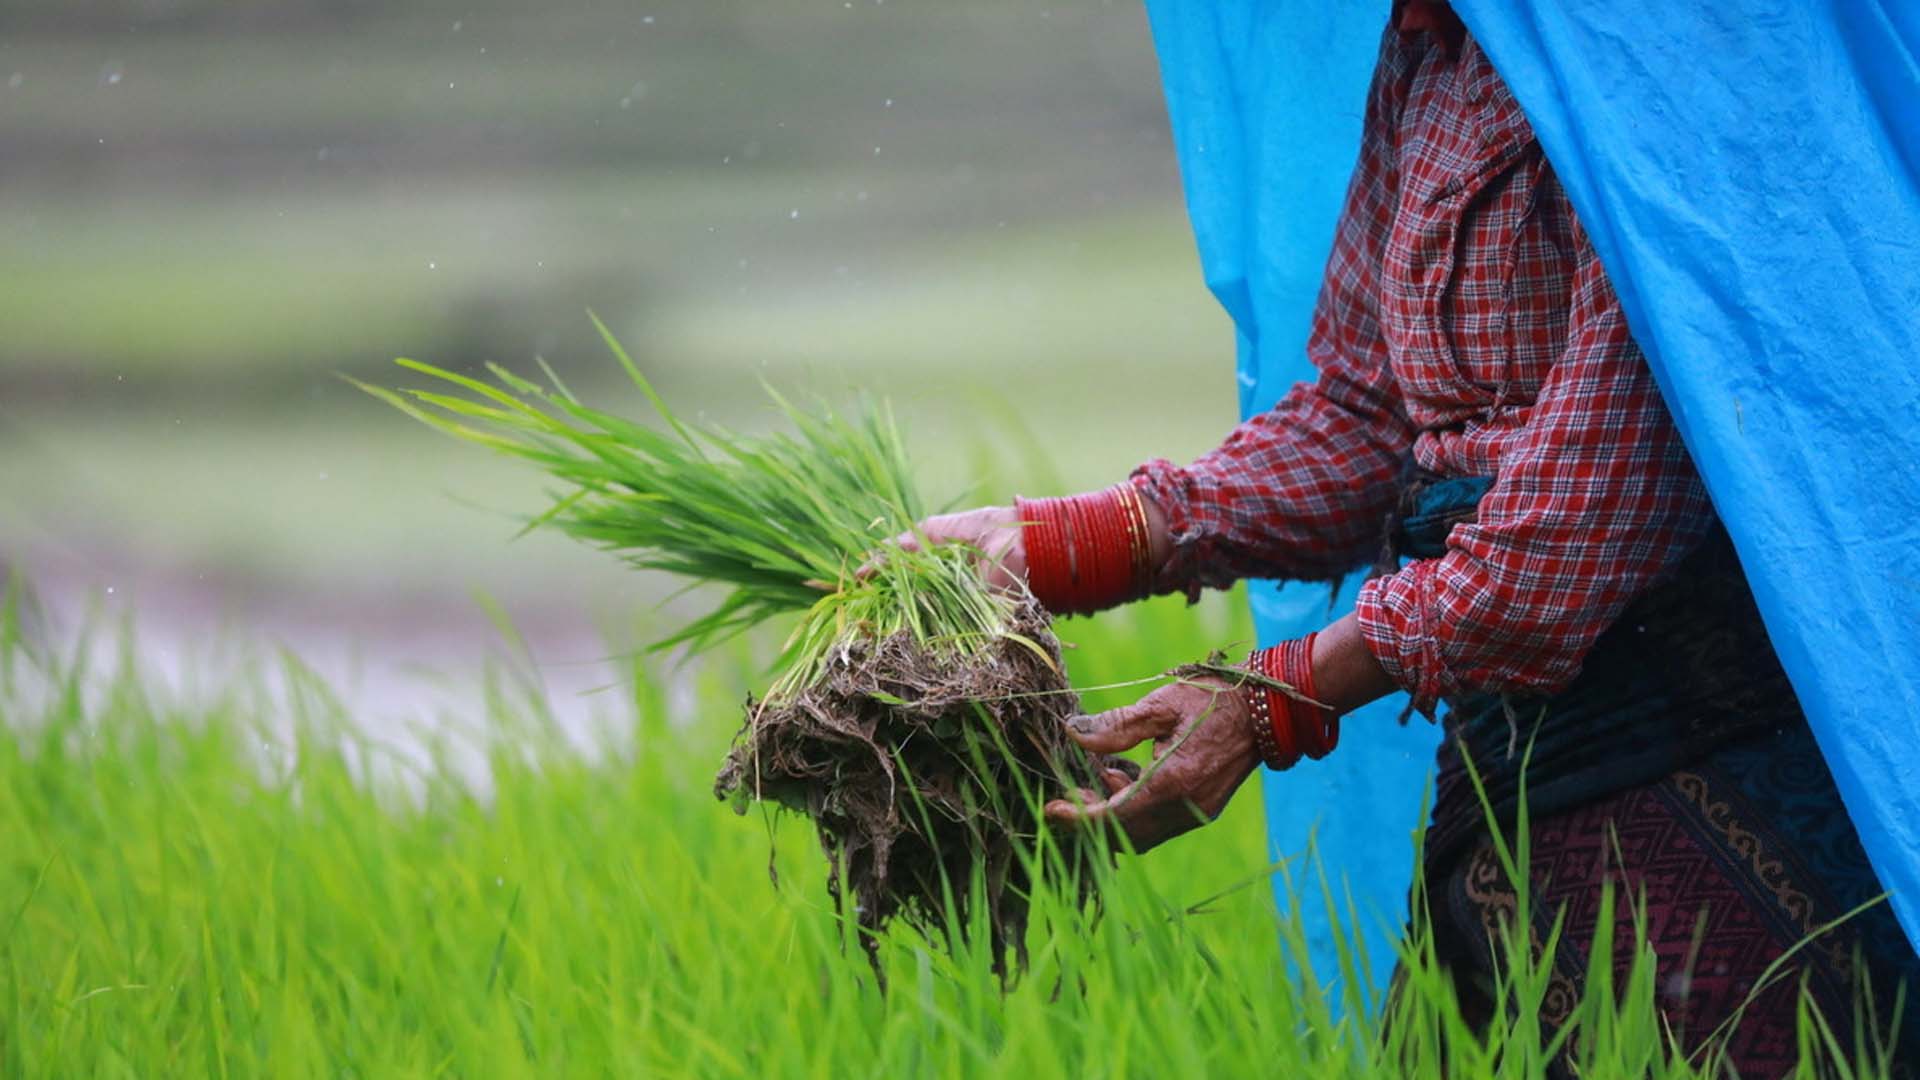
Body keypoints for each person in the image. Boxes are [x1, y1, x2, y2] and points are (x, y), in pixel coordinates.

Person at [892, 3, 1917, 1075]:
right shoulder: (1440, 47)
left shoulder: (1677, 47)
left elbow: (1569, 542)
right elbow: (1369, 416)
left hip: (1702, 754)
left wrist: (1267, 702)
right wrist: (1070, 543)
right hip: (1508, 774)